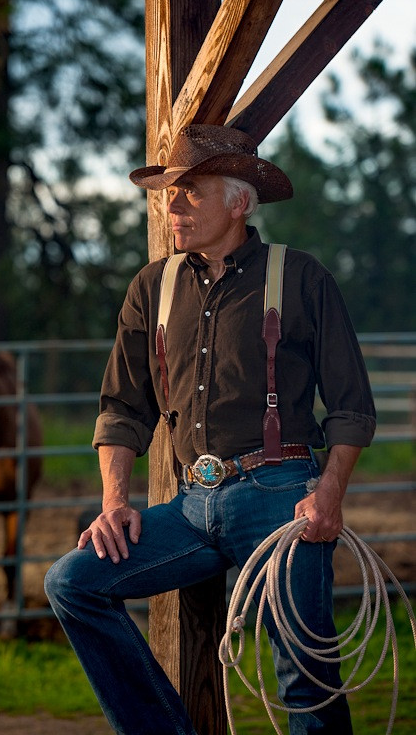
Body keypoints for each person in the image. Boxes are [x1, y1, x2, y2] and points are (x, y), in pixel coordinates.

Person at [45, 124, 376, 735]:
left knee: (303, 669)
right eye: (169, 193)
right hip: (191, 506)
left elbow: (352, 406)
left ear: (239, 201)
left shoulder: (301, 278)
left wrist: (329, 493)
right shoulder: (153, 286)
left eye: (190, 191)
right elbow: (122, 406)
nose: (173, 206)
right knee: (73, 582)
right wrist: (115, 501)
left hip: (283, 498)